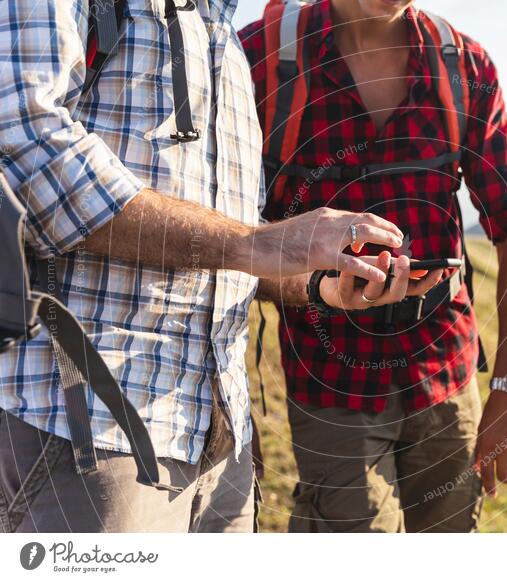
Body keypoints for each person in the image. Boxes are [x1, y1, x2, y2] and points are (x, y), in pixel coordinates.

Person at [0, 0, 413, 533]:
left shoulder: (222, 32)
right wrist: (257, 242)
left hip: (218, 448)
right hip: (85, 431)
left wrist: (322, 285)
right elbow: (23, 144)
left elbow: (227, 242)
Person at [239, 0, 507, 532]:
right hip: (331, 386)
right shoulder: (260, 58)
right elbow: (230, 240)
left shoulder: (464, 66)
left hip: (446, 375)